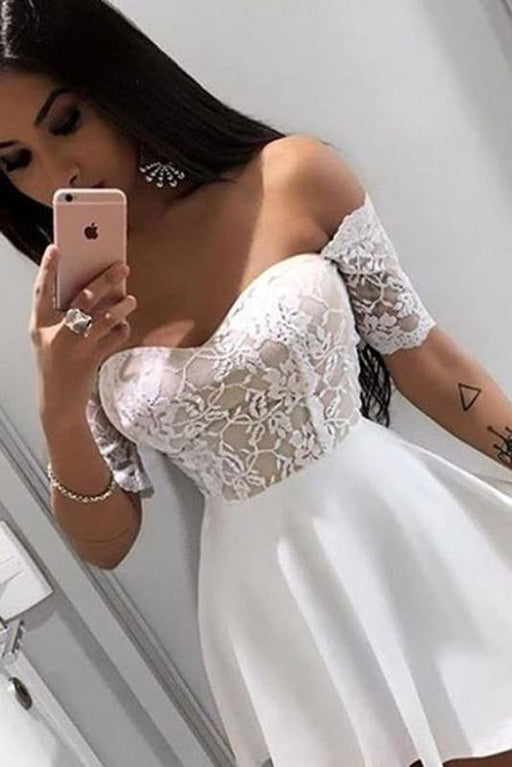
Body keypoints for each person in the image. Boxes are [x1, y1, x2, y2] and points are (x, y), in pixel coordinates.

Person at [2, 2, 512, 766]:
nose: (57, 174)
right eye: (15, 159)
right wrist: (58, 402)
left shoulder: (292, 178)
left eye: (66, 121)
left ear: (115, 80)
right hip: (269, 609)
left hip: (402, 535)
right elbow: (108, 542)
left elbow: (428, 361)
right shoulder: (75, 312)